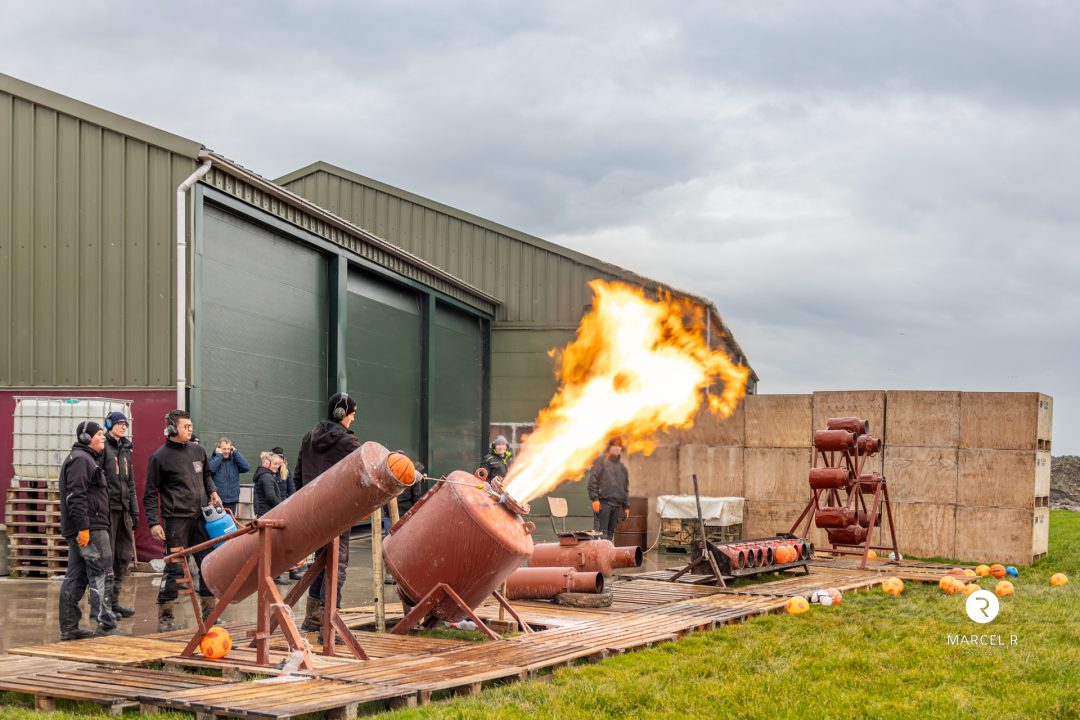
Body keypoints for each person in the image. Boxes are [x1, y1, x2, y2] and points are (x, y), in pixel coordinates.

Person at [144, 410, 222, 632]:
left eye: (190, 425)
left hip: (201, 517)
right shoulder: (159, 457)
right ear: (171, 429)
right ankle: (166, 617)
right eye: (185, 426)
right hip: (176, 520)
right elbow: (150, 493)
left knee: (209, 564)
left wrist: (213, 492)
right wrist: (153, 523)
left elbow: (207, 475)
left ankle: (210, 616)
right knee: (176, 567)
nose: (190, 429)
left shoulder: (197, 450)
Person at [295, 392, 361, 635]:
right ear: (341, 414)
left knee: (320, 563)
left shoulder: (307, 437)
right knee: (336, 566)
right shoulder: (348, 443)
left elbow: (298, 476)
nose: (353, 420)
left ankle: (312, 619)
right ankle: (328, 625)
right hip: (337, 513)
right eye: (352, 415)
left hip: (312, 512)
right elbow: (362, 474)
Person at [58, 421, 119, 640]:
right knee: (102, 574)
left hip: (86, 528)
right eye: (99, 434)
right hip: (90, 529)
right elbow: (76, 497)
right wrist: (84, 528)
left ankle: (70, 629)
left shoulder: (83, 459)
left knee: (76, 576)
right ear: (86, 438)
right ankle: (106, 626)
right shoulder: (82, 461)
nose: (103, 437)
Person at [101, 411, 137, 619]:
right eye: (119, 423)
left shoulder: (126, 449)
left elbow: (130, 482)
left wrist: (134, 511)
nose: (123, 427)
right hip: (108, 510)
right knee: (107, 557)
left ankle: (114, 602)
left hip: (123, 509)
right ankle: (102, 605)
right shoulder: (102, 447)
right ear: (109, 425)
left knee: (123, 557)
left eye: (125, 424)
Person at [587, 439, 630, 541]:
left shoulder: (622, 467)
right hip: (603, 504)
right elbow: (593, 480)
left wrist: (626, 506)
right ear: (609, 447)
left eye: (619, 445)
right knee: (600, 535)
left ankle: (606, 557)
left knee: (609, 537)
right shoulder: (601, 461)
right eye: (614, 445)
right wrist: (595, 499)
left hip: (616, 506)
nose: (616, 448)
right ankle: (596, 557)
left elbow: (624, 488)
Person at [208, 437, 250, 516]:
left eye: (228, 449)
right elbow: (210, 470)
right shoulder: (212, 460)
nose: (227, 451)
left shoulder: (235, 461)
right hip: (218, 499)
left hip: (232, 500)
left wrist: (235, 452)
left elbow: (246, 467)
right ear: (218, 449)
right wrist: (219, 456)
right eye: (224, 449)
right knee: (218, 524)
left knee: (229, 524)